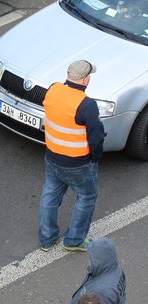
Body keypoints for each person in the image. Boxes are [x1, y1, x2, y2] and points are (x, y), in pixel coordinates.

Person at [38, 60, 105, 253]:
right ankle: (74, 240)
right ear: (86, 80)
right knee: (86, 197)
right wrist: (96, 156)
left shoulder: (53, 89)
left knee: (49, 197)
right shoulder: (86, 104)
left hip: (52, 157)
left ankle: (47, 239)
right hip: (78, 164)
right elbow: (96, 136)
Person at [68, 237, 125, 304]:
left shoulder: (101, 291)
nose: (89, 260)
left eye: (92, 257)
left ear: (100, 260)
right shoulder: (114, 269)